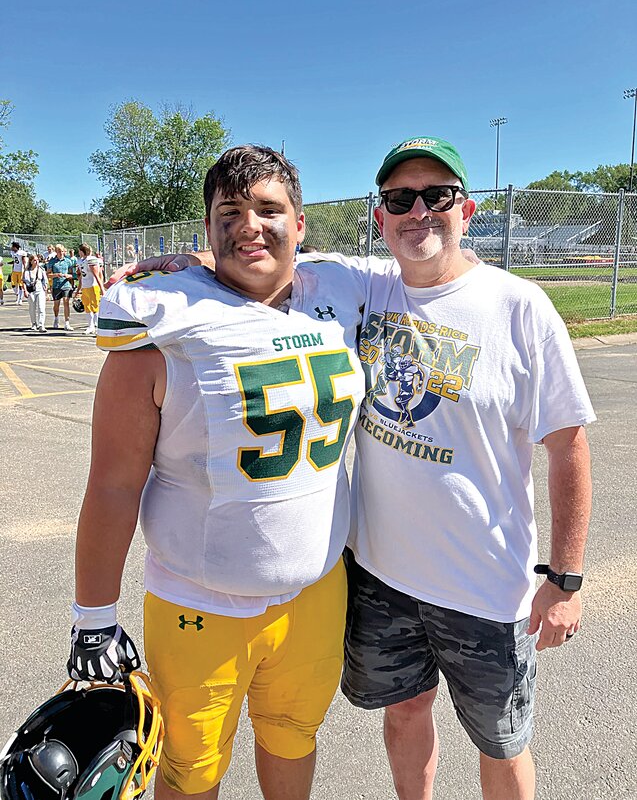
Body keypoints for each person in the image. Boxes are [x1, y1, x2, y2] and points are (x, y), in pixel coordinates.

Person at [125, 136, 595, 800]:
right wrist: (197, 257)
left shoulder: (517, 307)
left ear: (467, 209)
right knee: (403, 715)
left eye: (438, 196)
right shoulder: (364, 287)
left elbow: (568, 445)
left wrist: (565, 579)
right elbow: (267, 250)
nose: (419, 212)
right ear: (380, 218)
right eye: (401, 199)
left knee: (502, 742)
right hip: (380, 579)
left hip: (486, 585)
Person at [68, 146, 366, 800]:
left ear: (301, 223)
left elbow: (432, 262)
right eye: (229, 213)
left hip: (317, 589)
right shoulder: (158, 319)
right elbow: (114, 483)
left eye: (268, 210)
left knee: (293, 735)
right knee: (188, 769)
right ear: (206, 229)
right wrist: (92, 612)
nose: (249, 226)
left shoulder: (342, 291)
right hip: (197, 603)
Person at [74, 243, 105, 335]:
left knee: (95, 307)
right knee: (87, 307)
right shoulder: (80, 261)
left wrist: (102, 289)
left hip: (93, 285)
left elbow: (97, 275)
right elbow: (80, 277)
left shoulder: (92, 260)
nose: (79, 252)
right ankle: (90, 326)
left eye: (80, 250)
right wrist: (78, 289)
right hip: (85, 286)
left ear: (83, 251)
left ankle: (98, 327)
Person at [46, 244, 74, 330]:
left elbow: (72, 274)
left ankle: (67, 322)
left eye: (62, 251)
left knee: (66, 302)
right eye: (59, 251)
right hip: (56, 285)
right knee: (56, 304)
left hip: (66, 285)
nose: (61, 253)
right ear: (56, 252)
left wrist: (68, 276)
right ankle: (56, 318)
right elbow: (48, 274)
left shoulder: (68, 261)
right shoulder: (52, 262)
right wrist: (55, 275)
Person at [22, 254, 48, 332]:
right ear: (31, 261)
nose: (36, 261)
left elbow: (45, 280)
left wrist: (46, 290)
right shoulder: (27, 271)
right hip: (31, 291)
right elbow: (23, 282)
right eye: (34, 260)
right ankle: (34, 323)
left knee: (41, 308)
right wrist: (25, 291)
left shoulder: (41, 269)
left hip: (40, 290)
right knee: (32, 308)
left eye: (37, 260)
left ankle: (41, 325)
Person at [10, 241, 27, 305]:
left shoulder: (21, 253)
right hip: (14, 270)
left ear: (15, 247)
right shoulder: (12, 252)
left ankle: (20, 299)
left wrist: (25, 270)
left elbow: (24, 261)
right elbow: (15, 261)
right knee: (13, 284)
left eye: (12, 246)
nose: (11, 248)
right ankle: (17, 294)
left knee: (20, 285)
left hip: (20, 271)